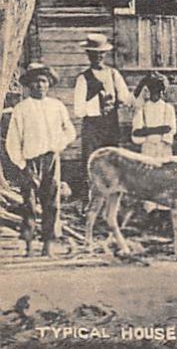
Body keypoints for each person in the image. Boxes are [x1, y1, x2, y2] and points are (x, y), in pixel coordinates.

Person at [6, 63, 76, 257]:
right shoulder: (21, 109)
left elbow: (70, 131)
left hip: (51, 159)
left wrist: (58, 145)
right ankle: (28, 246)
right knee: (29, 204)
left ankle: (48, 246)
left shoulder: (57, 106)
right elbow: (12, 141)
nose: (40, 85)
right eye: (35, 82)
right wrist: (22, 164)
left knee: (51, 203)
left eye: (43, 81)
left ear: (49, 83)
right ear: (29, 85)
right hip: (30, 161)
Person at [73, 33, 134, 199]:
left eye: (100, 53)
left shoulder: (113, 74)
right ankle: (91, 199)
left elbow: (125, 98)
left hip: (111, 124)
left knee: (112, 159)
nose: (97, 57)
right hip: (92, 126)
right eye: (93, 54)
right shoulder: (83, 79)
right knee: (92, 160)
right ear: (88, 55)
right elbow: (78, 110)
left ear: (105, 54)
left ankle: (112, 198)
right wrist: (96, 104)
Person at [131, 72, 177, 159]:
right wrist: (160, 129)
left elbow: (170, 129)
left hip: (164, 147)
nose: (156, 93)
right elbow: (136, 132)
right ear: (149, 90)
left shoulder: (168, 108)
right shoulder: (142, 108)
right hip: (147, 147)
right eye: (153, 89)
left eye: (159, 90)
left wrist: (147, 130)